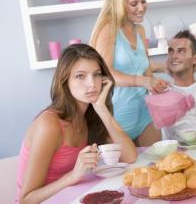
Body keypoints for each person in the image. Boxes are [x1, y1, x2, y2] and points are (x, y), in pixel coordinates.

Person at [16, 44, 137, 204]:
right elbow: (26, 199)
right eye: (80, 76)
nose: (92, 84)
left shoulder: (90, 116)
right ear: (64, 81)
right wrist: (73, 176)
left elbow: (130, 156)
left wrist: (101, 108)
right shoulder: (49, 124)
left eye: (97, 74)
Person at [90, 0, 168, 146]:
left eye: (144, 1)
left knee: (155, 166)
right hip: (116, 116)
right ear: (118, 4)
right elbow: (105, 73)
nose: (141, 8)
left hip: (144, 113)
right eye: (134, 3)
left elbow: (145, 70)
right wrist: (143, 81)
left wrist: (155, 84)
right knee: (124, 171)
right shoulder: (108, 30)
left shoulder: (140, 30)